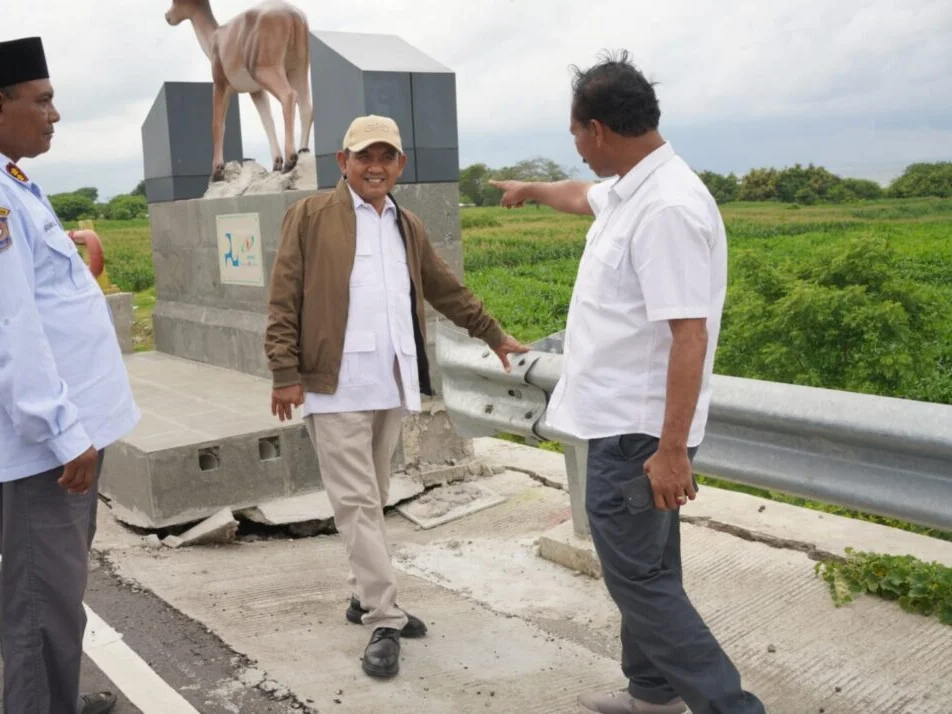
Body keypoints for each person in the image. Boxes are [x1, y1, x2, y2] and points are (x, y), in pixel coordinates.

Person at [491, 52, 766, 714]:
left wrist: (670, 451)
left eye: (577, 138)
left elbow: (688, 336)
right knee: (653, 569)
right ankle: (651, 693)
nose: (579, 153)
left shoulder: (666, 208)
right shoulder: (630, 187)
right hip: (621, 425)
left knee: (639, 580)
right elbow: (577, 194)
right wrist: (530, 190)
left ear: (598, 130)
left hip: (639, 437)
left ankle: (732, 708)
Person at [0, 37, 141, 714]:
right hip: (41, 446)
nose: (55, 114)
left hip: (60, 434)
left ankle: (57, 702)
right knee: (40, 600)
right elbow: (6, 326)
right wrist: (61, 431)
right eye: (41, 100)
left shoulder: (6, 179)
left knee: (56, 591)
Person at [265, 115, 528, 679]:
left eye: (386, 157)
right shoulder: (310, 216)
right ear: (343, 162)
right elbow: (283, 296)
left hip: (391, 379)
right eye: (365, 156)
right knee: (357, 504)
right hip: (331, 385)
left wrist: (495, 334)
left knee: (375, 497)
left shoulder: (406, 224)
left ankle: (363, 595)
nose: (375, 166)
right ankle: (383, 618)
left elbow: (443, 287)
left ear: (400, 165)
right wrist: (283, 370)